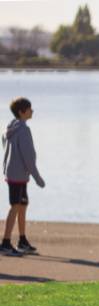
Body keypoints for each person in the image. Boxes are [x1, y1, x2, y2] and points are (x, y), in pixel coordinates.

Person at [2, 97, 46, 256]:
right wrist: (37, 178)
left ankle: (22, 240)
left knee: (22, 205)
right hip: (18, 175)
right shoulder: (23, 130)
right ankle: (6, 243)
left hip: (15, 174)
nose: (32, 111)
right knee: (15, 206)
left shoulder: (10, 127)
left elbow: (5, 145)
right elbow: (28, 157)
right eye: (29, 108)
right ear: (22, 112)